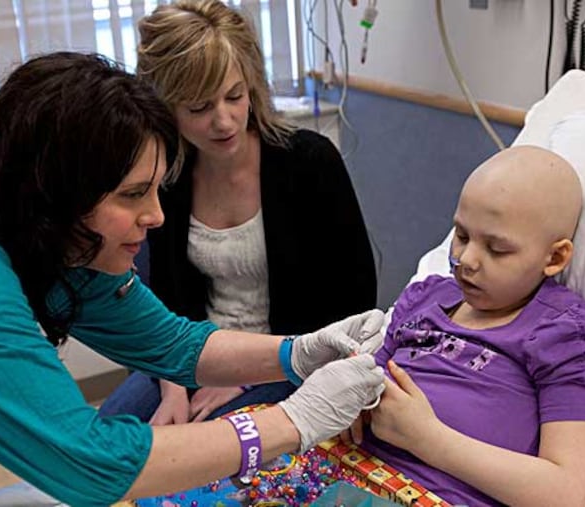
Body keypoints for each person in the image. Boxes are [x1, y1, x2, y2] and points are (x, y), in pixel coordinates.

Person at [0, 52, 387, 506]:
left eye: (155, 190)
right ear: (53, 192)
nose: (155, 215)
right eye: (133, 195)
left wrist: (296, 353)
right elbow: (86, 463)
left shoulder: (50, 235)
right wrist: (293, 421)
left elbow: (173, 344)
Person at [99, 0, 377, 425]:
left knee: (211, 443)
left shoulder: (308, 162)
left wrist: (247, 373)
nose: (224, 121)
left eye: (234, 96)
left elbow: (352, 300)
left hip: (293, 355)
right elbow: (165, 296)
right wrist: (172, 387)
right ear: (166, 107)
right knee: (113, 433)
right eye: (199, 108)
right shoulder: (168, 178)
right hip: (192, 354)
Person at [346, 146, 585, 507]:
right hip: (337, 472)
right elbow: (363, 386)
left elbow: (565, 493)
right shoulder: (423, 299)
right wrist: (347, 395)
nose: (466, 260)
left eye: (497, 249)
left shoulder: (561, 333)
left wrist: (426, 437)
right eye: (462, 235)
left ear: (555, 257)